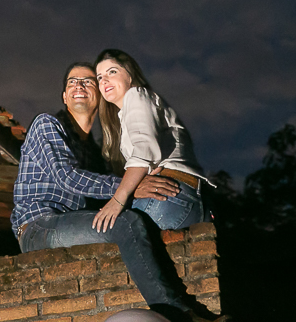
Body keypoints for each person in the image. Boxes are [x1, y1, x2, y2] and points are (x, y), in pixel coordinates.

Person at [13, 62, 229, 322]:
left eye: (87, 81)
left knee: (131, 219)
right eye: (72, 82)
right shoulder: (47, 124)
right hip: (37, 226)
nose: (79, 85)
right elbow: (66, 177)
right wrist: (130, 186)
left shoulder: (94, 154)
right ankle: (179, 315)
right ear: (64, 97)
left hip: (68, 225)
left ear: (100, 96)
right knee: (125, 222)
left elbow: (106, 195)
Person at [92, 49, 214, 234]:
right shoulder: (126, 114)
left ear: (130, 75)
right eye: (100, 77)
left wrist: (117, 200)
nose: (104, 80)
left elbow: (145, 151)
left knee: (101, 234)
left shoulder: (136, 95)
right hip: (182, 198)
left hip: (169, 195)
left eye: (112, 71)